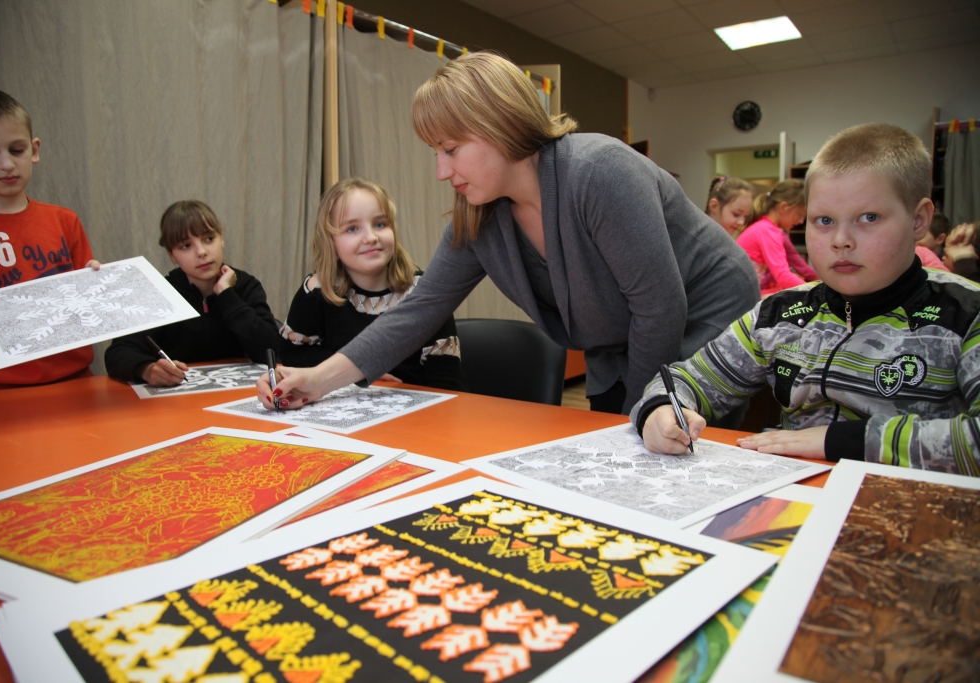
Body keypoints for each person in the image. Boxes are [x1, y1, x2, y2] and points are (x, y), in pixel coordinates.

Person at [258, 52, 758, 416]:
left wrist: (643, 412)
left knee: (663, 441)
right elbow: (417, 311)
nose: (440, 170)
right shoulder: (478, 217)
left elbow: (660, 306)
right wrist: (317, 380)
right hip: (625, 339)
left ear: (498, 125)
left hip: (706, 317)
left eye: (450, 149)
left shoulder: (600, 171)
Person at [636, 123, 980, 475]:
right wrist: (660, 410)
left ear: (919, 220)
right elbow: (686, 379)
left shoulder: (967, 313)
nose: (841, 240)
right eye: (824, 220)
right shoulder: (778, 313)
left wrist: (844, 441)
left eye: (869, 218)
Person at [0, 87, 100, 387]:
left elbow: (88, 313)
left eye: (16, 150)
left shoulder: (63, 220)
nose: (6, 164)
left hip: (75, 381)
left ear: (34, 150)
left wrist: (97, 286)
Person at [279, 178, 467, 391]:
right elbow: (290, 353)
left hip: (415, 412)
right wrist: (357, 371)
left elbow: (447, 381)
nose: (371, 237)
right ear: (330, 241)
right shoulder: (316, 291)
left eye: (380, 224)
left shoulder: (425, 291)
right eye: (352, 229)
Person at [104, 200, 279, 385]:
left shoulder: (246, 286)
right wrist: (147, 369)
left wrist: (227, 294)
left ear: (222, 239)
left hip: (238, 394)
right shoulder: (160, 292)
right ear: (172, 256)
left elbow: (272, 349)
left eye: (209, 239)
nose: (201, 252)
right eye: (186, 246)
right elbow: (117, 353)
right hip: (175, 399)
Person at [737, 180, 818, 294]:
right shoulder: (767, 231)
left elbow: (795, 270)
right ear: (784, 207)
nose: (800, 221)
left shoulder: (767, 228)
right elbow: (783, 275)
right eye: (800, 215)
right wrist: (815, 292)